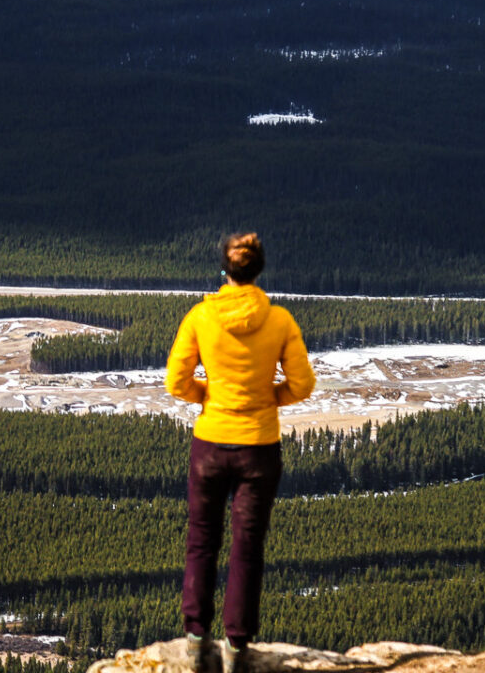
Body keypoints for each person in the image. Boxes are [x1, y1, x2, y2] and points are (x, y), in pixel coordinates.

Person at [166, 231, 315, 671]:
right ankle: (236, 647)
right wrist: (267, 400)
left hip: (210, 443)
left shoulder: (200, 317)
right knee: (247, 547)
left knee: (201, 540)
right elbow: (303, 384)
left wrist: (211, 397)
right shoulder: (280, 320)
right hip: (259, 448)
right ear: (259, 269)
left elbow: (175, 381)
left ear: (224, 270)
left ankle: (195, 640)